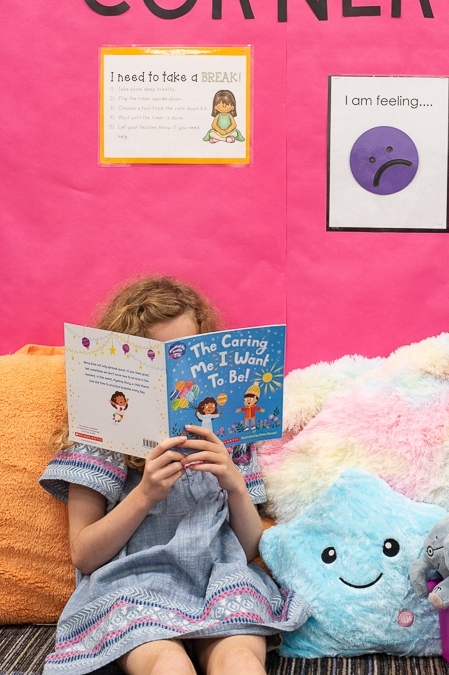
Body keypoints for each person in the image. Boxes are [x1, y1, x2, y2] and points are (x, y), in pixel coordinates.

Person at [40, 275, 307, 675]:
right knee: (168, 666)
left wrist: (232, 480)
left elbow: (251, 548)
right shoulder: (99, 436)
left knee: (239, 662)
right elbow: (85, 554)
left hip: (220, 580)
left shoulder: (229, 433)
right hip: (133, 587)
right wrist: (144, 494)